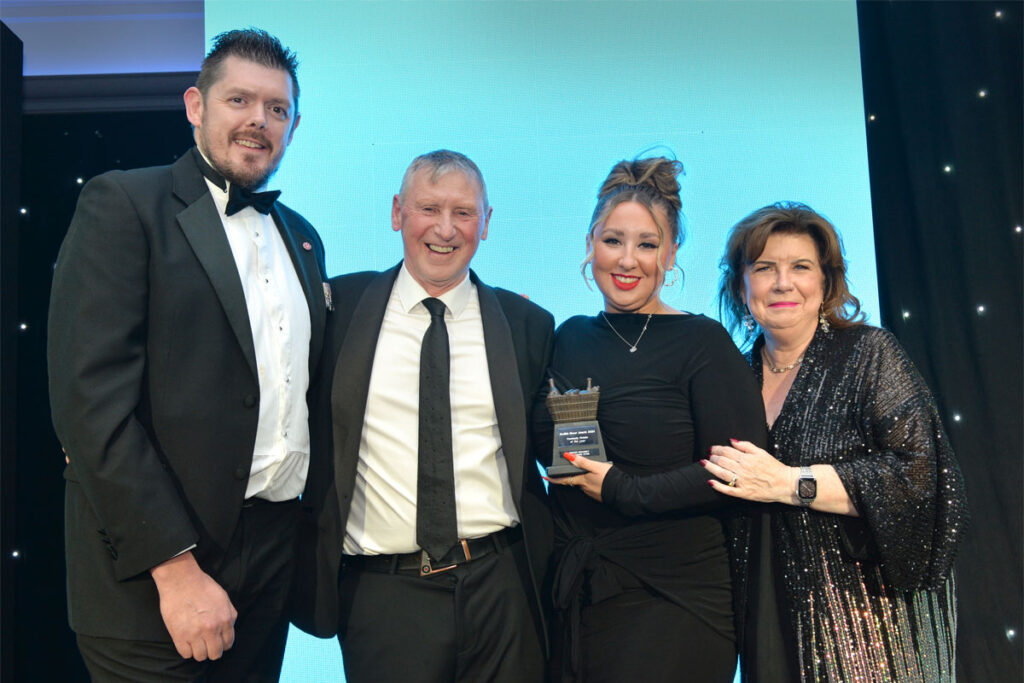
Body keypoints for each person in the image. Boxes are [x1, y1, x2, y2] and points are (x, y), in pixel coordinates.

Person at [47, 29, 327, 682]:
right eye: (239, 100)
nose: (259, 121)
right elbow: (90, 407)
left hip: (269, 565)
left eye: (277, 109)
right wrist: (174, 570)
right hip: (150, 577)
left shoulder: (303, 238)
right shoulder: (124, 205)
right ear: (196, 105)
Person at [291, 150, 554, 682]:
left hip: (503, 587)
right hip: (383, 595)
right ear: (397, 213)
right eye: (428, 208)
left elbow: (558, 441)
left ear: (486, 221)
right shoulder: (337, 308)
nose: (445, 228)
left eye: (463, 212)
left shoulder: (527, 322)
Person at [708, 201, 968, 682]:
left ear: (825, 282)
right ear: (741, 288)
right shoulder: (730, 377)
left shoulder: (869, 352)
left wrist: (793, 483)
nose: (783, 282)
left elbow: (922, 478)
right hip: (764, 613)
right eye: (764, 268)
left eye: (800, 267)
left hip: (864, 622)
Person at [534, 157, 768, 682]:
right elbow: (550, 443)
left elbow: (738, 468)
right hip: (578, 596)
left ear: (671, 254)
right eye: (614, 240)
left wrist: (623, 489)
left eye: (647, 244)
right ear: (591, 242)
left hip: (672, 597)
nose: (628, 260)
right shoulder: (568, 337)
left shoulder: (702, 342)